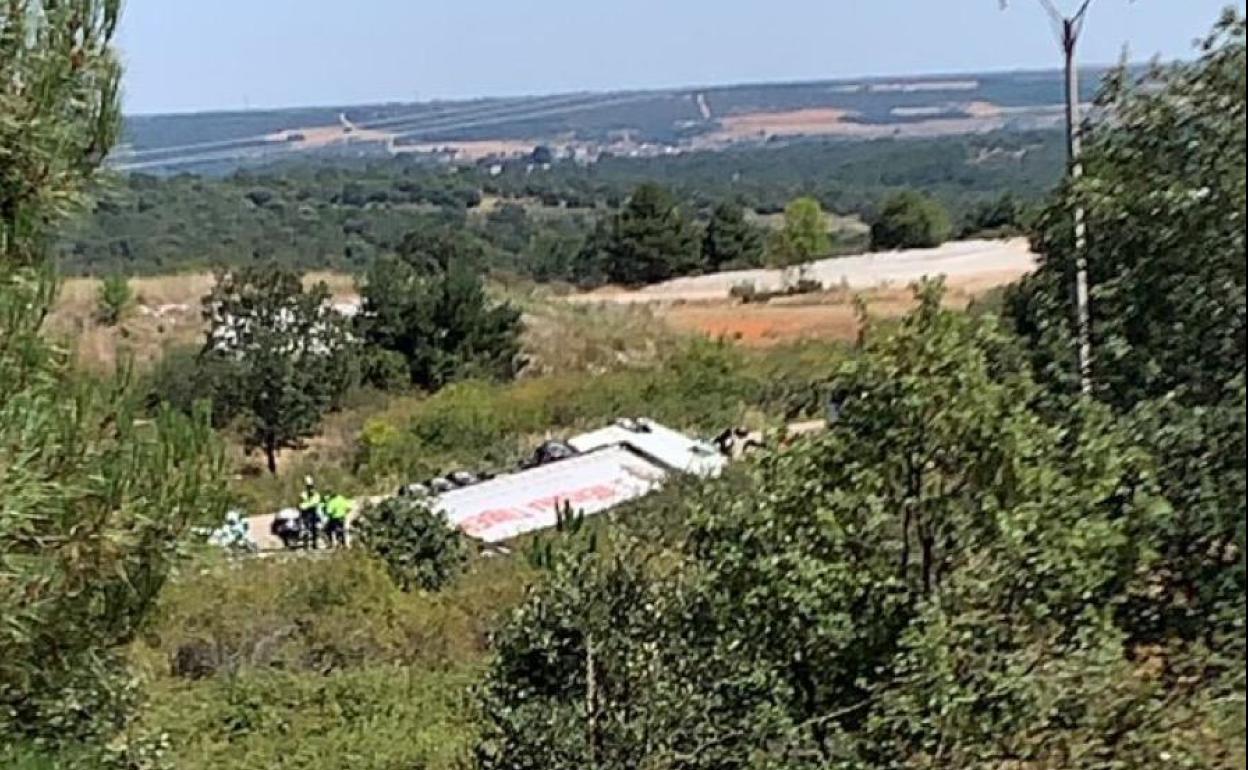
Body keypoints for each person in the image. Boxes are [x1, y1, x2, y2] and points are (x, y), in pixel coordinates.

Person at [298, 477, 323, 550]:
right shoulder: (303, 494)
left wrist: (306, 504)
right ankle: (306, 544)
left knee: (314, 529)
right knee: (305, 529)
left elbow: (315, 502)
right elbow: (301, 504)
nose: (310, 489)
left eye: (311, 487)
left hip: (313, 512)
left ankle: (315, 544)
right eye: (308, 487)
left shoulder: (316, 495)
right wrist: (305, 505)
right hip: (305, 513)